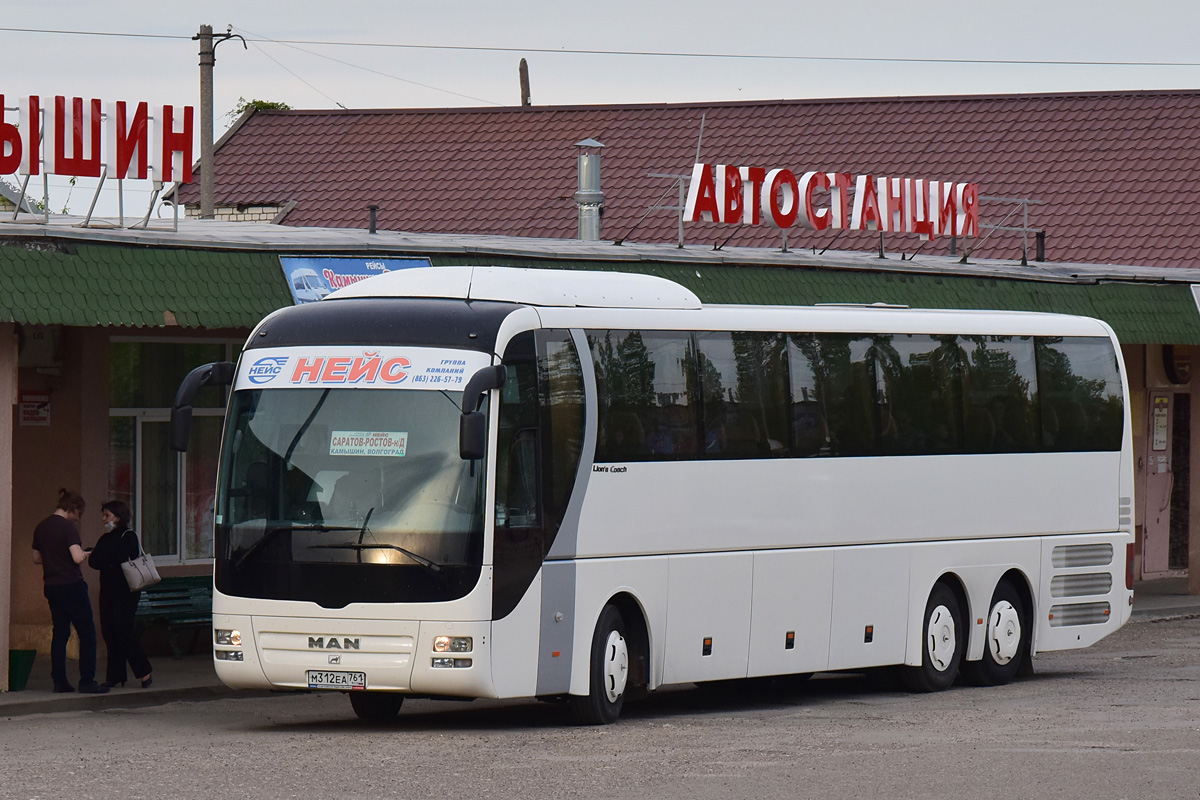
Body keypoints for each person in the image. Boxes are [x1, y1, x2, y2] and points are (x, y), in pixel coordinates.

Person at [31, 489, 108, 694]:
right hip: (71, 585)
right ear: (73, 509)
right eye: (78, 515)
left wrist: (54, 558)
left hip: (52, 585)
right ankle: (87, 681)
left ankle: (60, 681)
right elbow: (76, 557)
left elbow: (37, 558)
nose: (77, 520)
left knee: (61, 633)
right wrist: (85, 553)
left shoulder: (41, 527)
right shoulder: (67, 528)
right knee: (88, 633)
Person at [88, 500, 153, 689]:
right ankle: (115, 675)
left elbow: (121, 557)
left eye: (107, 515)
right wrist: (108, 560)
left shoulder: (128, 535)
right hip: (108, 590)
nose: (103, 519)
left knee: (123, 629)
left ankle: (144, 671)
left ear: (118, 516)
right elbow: (94, 561)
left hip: (126, 591)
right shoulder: (106, 538)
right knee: (109, 631)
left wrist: (107, 559)